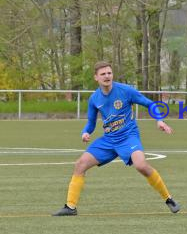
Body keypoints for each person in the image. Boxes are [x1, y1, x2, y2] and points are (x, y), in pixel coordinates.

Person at [53, 62, 179, 216]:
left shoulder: (125, 91)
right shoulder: (94, 99)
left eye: (109, 73)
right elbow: (91, 124)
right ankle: (70, 207)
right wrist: (85, 132)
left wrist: (159, 120)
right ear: (96, 78)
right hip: (109, 140)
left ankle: (169, 199)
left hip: (128, 137)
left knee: (141, 166)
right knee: (80, 164)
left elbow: (150, 103)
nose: (107, 76)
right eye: (103, 74)